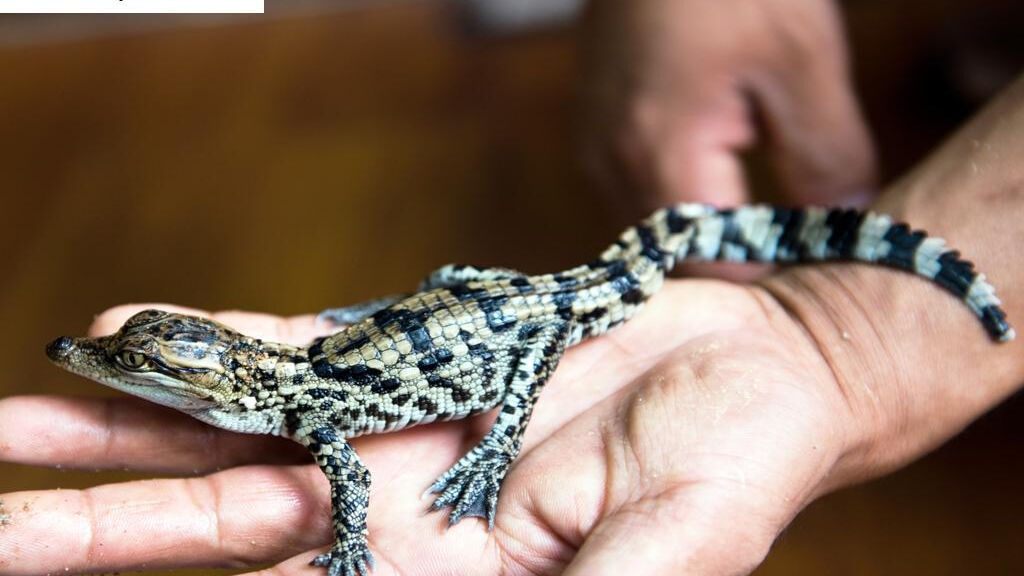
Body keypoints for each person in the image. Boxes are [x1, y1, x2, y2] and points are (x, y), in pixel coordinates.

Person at [1, 1, 1021, 574]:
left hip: (533, 318)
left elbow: (349, 484)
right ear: (226, 379)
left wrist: (466, 474)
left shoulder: (307, 410)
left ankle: (492, 443)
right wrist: (848, 335)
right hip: (488, 300)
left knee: (504, 379)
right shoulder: (296, 391)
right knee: (461, 306)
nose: (94, 365)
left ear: (219, 385)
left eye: (134, 362)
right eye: (135, 363)